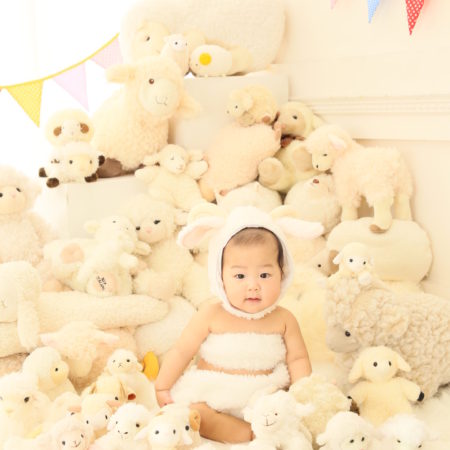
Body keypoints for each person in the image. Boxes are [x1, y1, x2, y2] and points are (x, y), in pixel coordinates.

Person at [154, 205, 323, 443]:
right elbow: (182, 351)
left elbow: (297, 359)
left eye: (264, 275)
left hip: (263, 397)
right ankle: (248, 434)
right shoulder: (210, 314)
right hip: (214, 392)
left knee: (282, 411)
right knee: (194, 413)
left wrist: (302, 395)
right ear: (220, 277)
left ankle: (263, 430)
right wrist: (162, 386)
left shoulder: (283, 319)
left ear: (282, 274)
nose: (253, 286)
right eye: (240, 276)